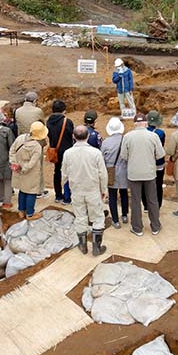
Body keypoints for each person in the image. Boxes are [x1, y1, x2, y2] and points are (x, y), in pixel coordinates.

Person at [62, 125, 109, 256]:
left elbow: (64, 174)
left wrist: (65, 186)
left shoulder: (68, 153)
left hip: (76, 190)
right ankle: (96, 247)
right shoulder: (96, 153)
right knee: (98, 218)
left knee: (80, 217)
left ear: (73, 136)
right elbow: (103, 174)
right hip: (93, 190)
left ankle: (82, 245)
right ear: (88, 136)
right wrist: (103, 189)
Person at [120, 113, 165, 236]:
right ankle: (155, 226)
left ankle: (137, 228)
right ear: (145, 123)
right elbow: (160, 154)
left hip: (134, 173)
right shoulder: (153, 136)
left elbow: (124, 155)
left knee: (135, 201)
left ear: (134, 124)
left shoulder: (128, 136)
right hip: (149, 172)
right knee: (152, 200)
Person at [9, 121, 47, 219]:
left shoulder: (20, 138)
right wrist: (23, 169)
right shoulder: (37, 147)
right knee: (31, 192)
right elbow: (32, 163)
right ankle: (30, 213)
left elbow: (12, 150)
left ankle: (21, 211)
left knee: (22, 190)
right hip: (31, 173)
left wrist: (14, 164)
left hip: (19, 170)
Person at [101, 117, 129, 228]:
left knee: (112, 196)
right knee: (124, 193)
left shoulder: (105, 142)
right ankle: (125, 215)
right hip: (125, 170)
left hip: (110, 171)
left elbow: (102, 158)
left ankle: (116, 221)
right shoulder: (126, 139)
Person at [46, 100, 74, 203]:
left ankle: (58, 195)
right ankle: (67, 197)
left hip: (55, 151)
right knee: (68, 174)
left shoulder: (48, 121)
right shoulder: (67, 122)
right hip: (67, 151)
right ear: (63, 110)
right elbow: (72, 135)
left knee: (57, 172)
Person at [144, 110, 166, 209]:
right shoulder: (161, 133)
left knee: (145, 184)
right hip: (158, 162)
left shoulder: (143, 132)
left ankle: (146, 205)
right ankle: (158, 205)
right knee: (158, 184)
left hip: (146, 161)